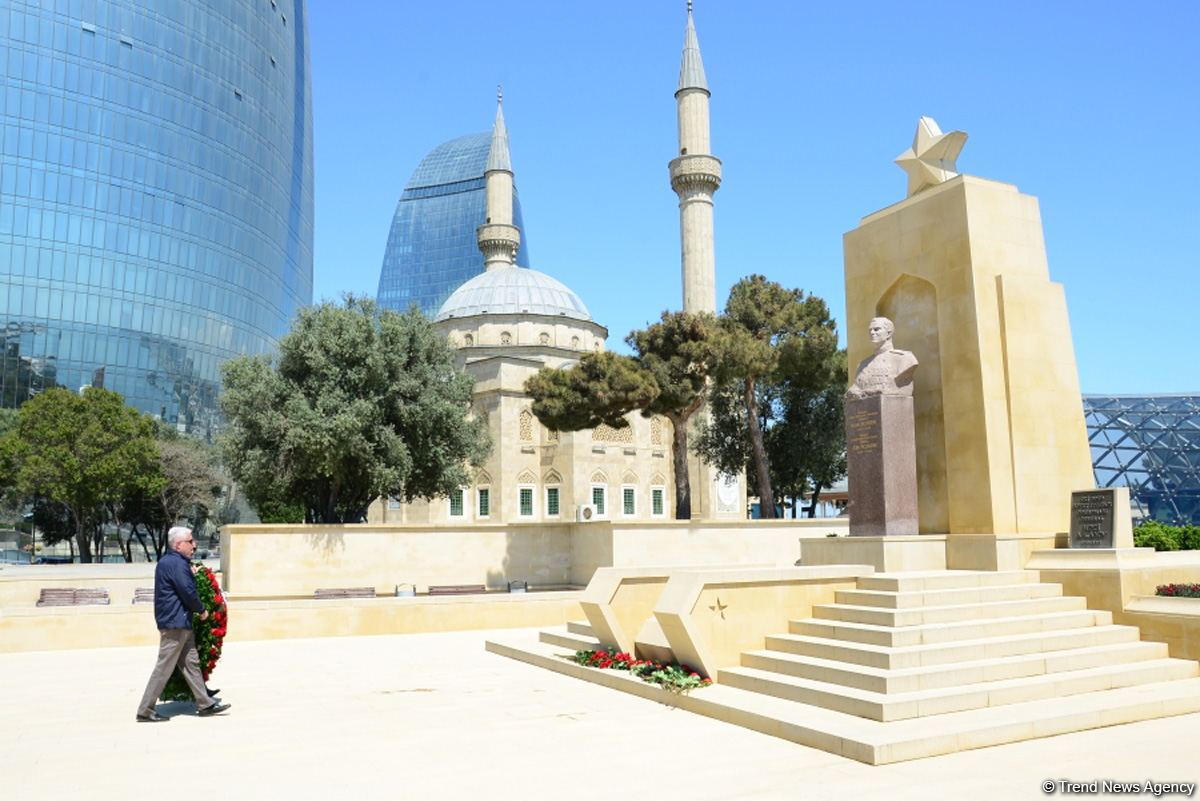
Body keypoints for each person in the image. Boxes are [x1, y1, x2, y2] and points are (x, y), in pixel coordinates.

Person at [135, 526, 230, 722]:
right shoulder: (176, 564)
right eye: (190, 541)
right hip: (175, 623)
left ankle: (205, 704)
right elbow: (187, 591)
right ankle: (145, 710)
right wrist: (202, 609)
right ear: (178, 545)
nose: (194, 545)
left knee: (191, 663)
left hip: (179, 621)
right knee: (164, 667)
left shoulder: (172, 562)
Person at [845, 316, 919, 399]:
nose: (872, 332)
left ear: (888, 333)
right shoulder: (863, 365)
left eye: (876, 329)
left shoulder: (905, 359)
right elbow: (855, 388)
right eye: (870, 330)